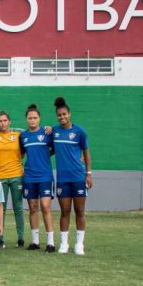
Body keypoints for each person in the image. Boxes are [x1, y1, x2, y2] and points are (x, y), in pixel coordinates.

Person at [53, 97, 92, 255]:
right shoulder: (54, 132)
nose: (62, 117)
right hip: (63, 179)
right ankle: (64, 244)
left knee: (80, 211)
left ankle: (79, 244)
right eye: (59, 115)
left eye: (64, 114)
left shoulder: (79, 132)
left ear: (69, 114)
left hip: (78, 177)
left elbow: (86, 154)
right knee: (64, 211)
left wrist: (88, 174)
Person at [20, 104, 55, 252]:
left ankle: (51, 243)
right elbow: (21, 154)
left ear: (39, 118)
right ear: (26, 119)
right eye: (30, 118)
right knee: (33, 208)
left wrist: (46, 155)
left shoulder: (47, 132)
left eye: (35, 118)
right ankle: (35, 241)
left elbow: (56, 147)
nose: (32, 120)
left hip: (45, 176)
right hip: (29, 176)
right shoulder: (23, 136)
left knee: (46, 207)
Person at [0, 111, 25, 248]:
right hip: (0, 177)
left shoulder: (17, 134)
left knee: (18, 208)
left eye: (5, 120)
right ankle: (1, 237)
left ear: (9, 121)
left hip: (17, 174)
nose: (3, 123)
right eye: (0, 121)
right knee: (1, 208)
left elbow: (29, 131)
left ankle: (21, 238)